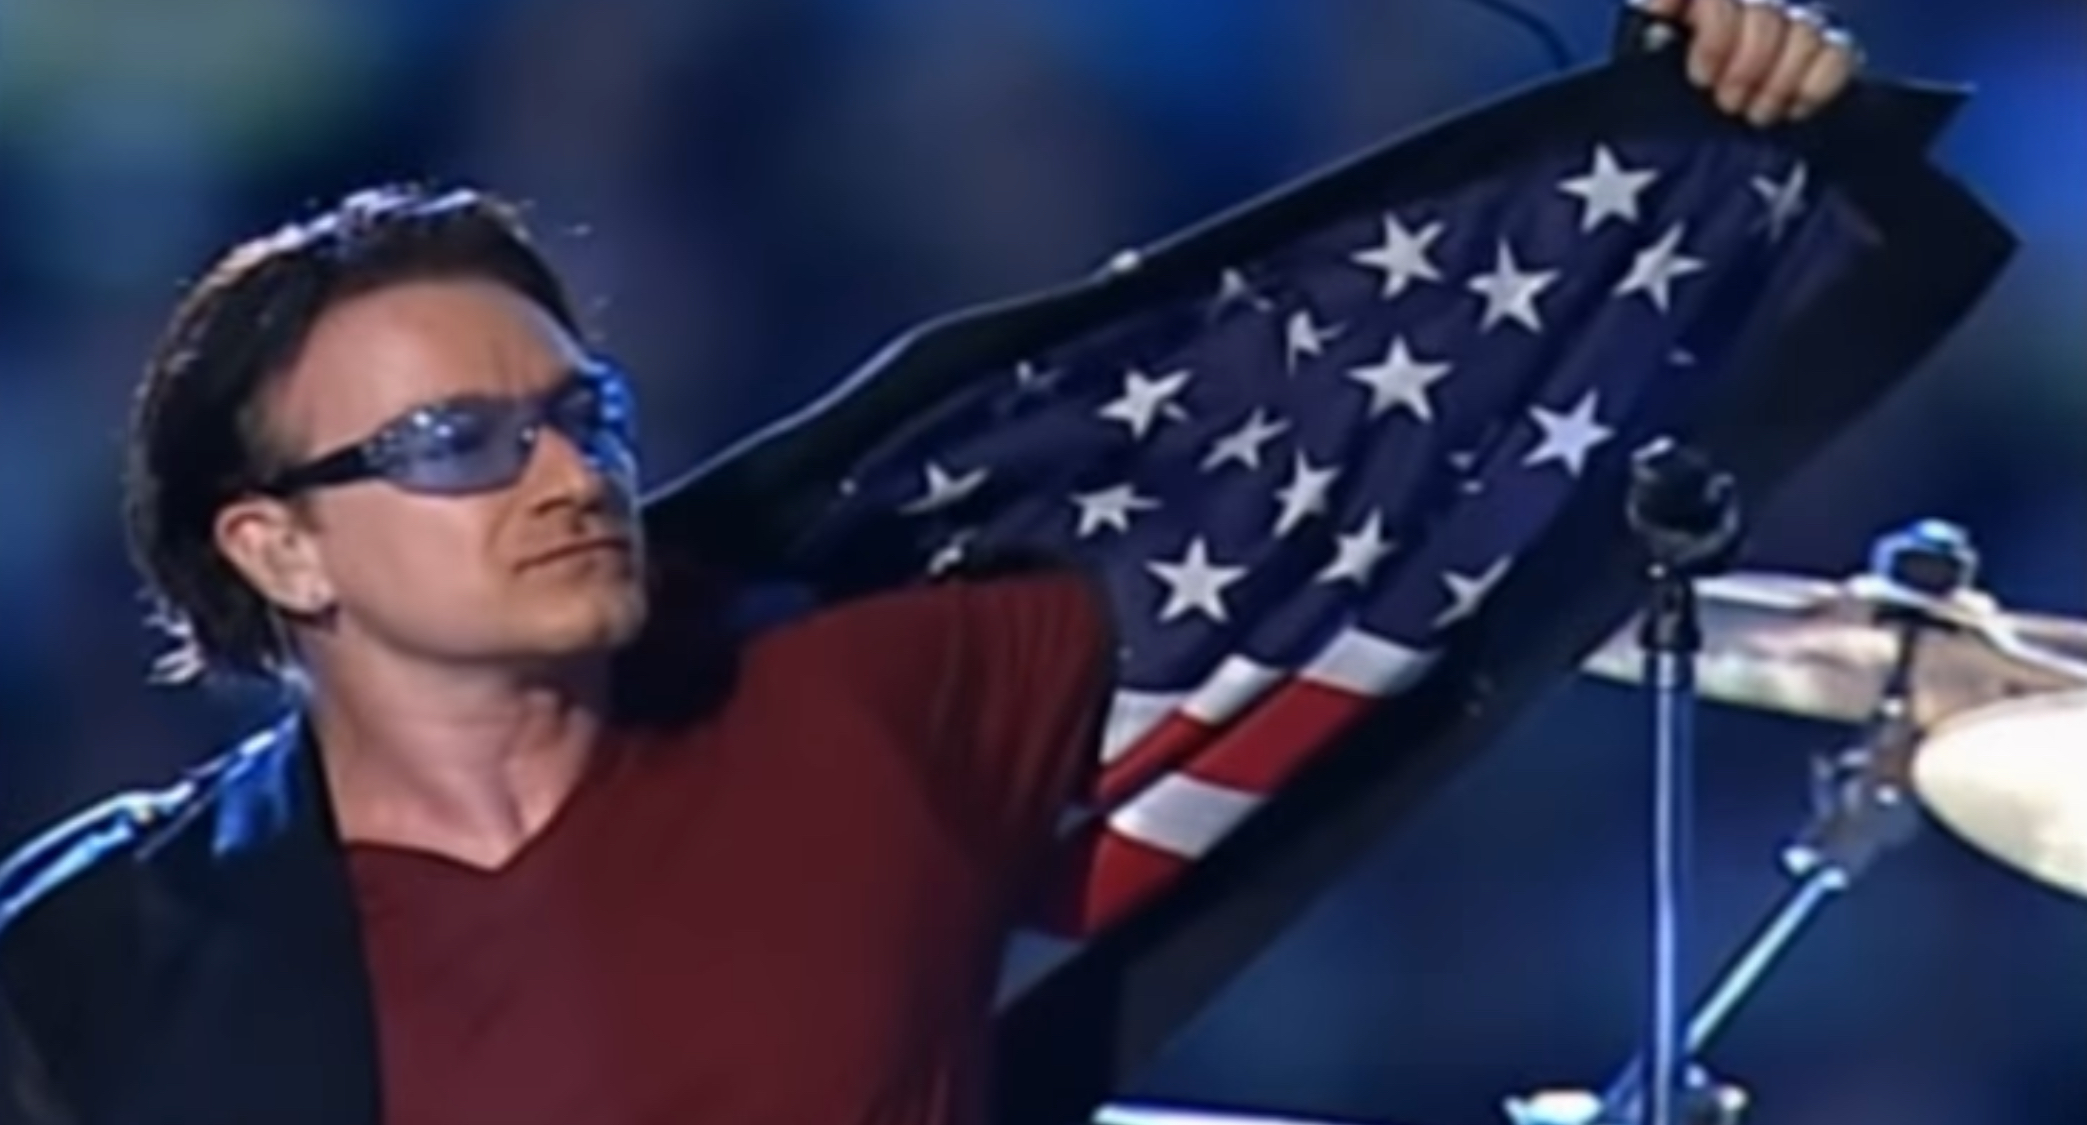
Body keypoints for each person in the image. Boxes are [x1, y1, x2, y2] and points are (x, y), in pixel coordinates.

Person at [0, 4, 1860, 1123]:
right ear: (278, 546)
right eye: (456, 443)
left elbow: (1347, 431)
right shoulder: (97, 957)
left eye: (585, 414)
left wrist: (1684, 134)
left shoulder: (873, 698)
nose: (566, 474)